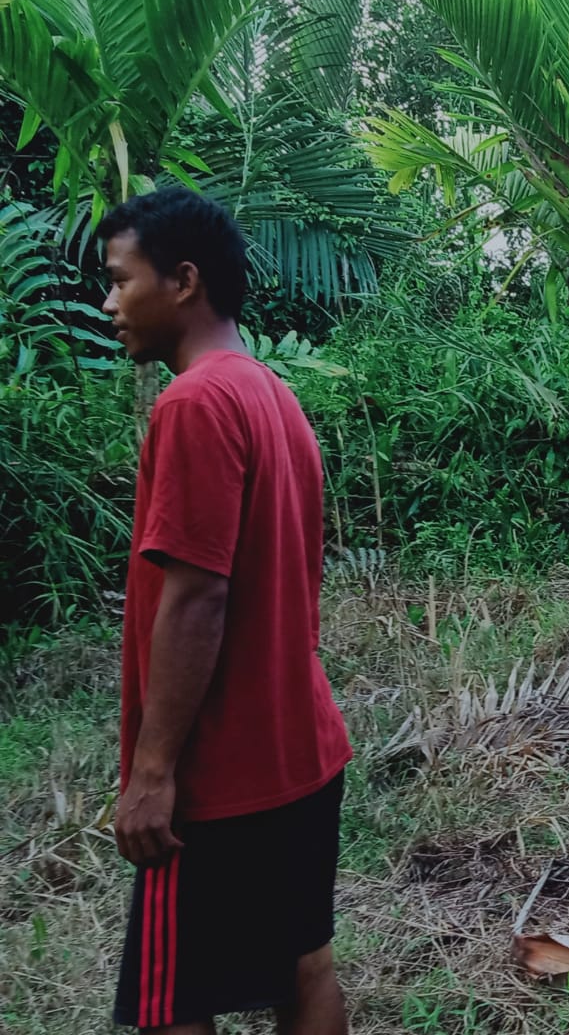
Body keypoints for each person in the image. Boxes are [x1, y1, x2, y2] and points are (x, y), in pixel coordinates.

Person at [100, 188, 352, 1035]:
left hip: (220, 772)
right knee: (303, 968)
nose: (110, 305)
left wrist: (153, 773)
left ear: (183, 281)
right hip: (300, 749)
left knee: (171, 1001)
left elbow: (198, 593)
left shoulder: (194, 403)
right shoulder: (272, 395)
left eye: (120, 280)